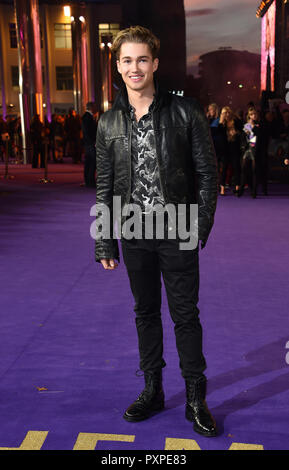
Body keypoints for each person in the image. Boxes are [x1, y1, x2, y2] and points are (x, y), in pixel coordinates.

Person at [95, 26, 218, 437]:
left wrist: (200, 224)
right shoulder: (108, 122)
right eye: (127, 60)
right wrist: (103, 239)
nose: (135, 68)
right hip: (133, 229)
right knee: (145, 313)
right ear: (118, 66)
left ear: (156, 64)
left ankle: (196, 397)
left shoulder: (186, 112)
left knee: (186, 315)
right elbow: (105, 184)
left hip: (179, 226)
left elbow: (207, 172)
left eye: (142, 59)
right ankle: (153, 389)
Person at [81, 102, 98, 188]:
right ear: (91, 107)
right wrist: (92, 142)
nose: (96, 108)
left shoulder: (87, 117)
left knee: (89, 162)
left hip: (89, 143)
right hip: (90, 144)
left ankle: (88, 180)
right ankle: (90, 181)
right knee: (92, 163)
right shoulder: (87, 117)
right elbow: (87, 132)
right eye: (95, 107)